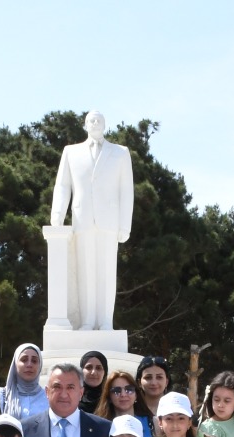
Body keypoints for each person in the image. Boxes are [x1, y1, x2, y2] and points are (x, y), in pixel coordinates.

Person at [50, 110, 135, 331]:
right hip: (83, 219)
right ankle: (87, 320)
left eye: (99, 120)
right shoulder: (71, 152)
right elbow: (63, 185)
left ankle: (106, 320)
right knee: (85, 272)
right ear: (85, 125)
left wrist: (125, 224)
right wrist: (57, 214)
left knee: (107, 272)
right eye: (91, 120)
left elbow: (126, 190)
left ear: (105, 125)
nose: (95, 123)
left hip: (109, 222)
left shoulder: (120, 153)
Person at [94, 369, 152, 437]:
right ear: (109, 397)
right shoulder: (100, 426)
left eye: (129, 389)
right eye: (116, 391)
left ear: (136, 395)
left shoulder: (152, 423)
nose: (123, 394)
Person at [1, 343, 48, 422]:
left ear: (40, 365)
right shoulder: (2, 396)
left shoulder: (48, 397)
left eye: (34, 361)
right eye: (24, 360)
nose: (29, 365)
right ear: (15, 364)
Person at [135, 355, 172, 424]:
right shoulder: (131, 410)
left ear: (166, 382)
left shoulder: (177, 409)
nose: (154, 383)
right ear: (139, 382)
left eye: (159, 377)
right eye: (148, 377)